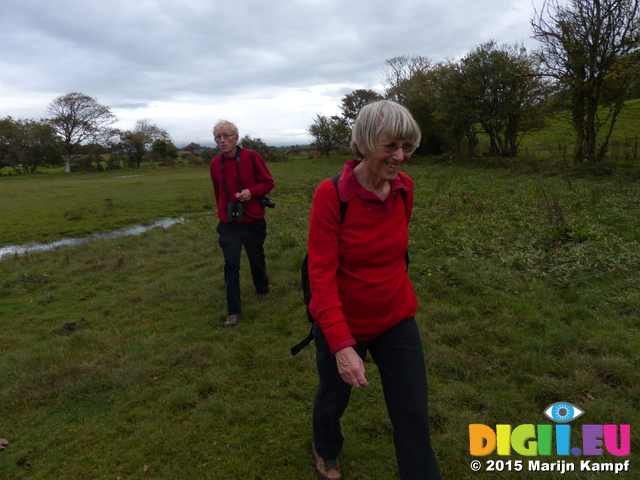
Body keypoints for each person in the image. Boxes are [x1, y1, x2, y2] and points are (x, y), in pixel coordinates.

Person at [307, 100, 441, 480]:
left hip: (397, 316)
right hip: (343, 322)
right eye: (391, 146)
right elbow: (321, 275)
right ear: (365, 142)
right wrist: (341, 345)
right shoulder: (331, 195)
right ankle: (325, 448)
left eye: (409, 147)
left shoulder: (404, 189)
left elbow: (396, 254)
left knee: (412, 410)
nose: (401, 157)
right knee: (334, 398)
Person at [209, 120, 275, 327]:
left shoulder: (252, 157)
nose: (222, 140)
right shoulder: (214, 164)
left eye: (226, 136)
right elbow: (217, 192)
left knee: (256, 258)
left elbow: (269, 183)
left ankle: (262, 289)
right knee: (231, 265)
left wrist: (251, 192)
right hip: (229, 224)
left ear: (236, 138)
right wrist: (224, 213)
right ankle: (234, 311)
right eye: (218, 137)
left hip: (253, 220)